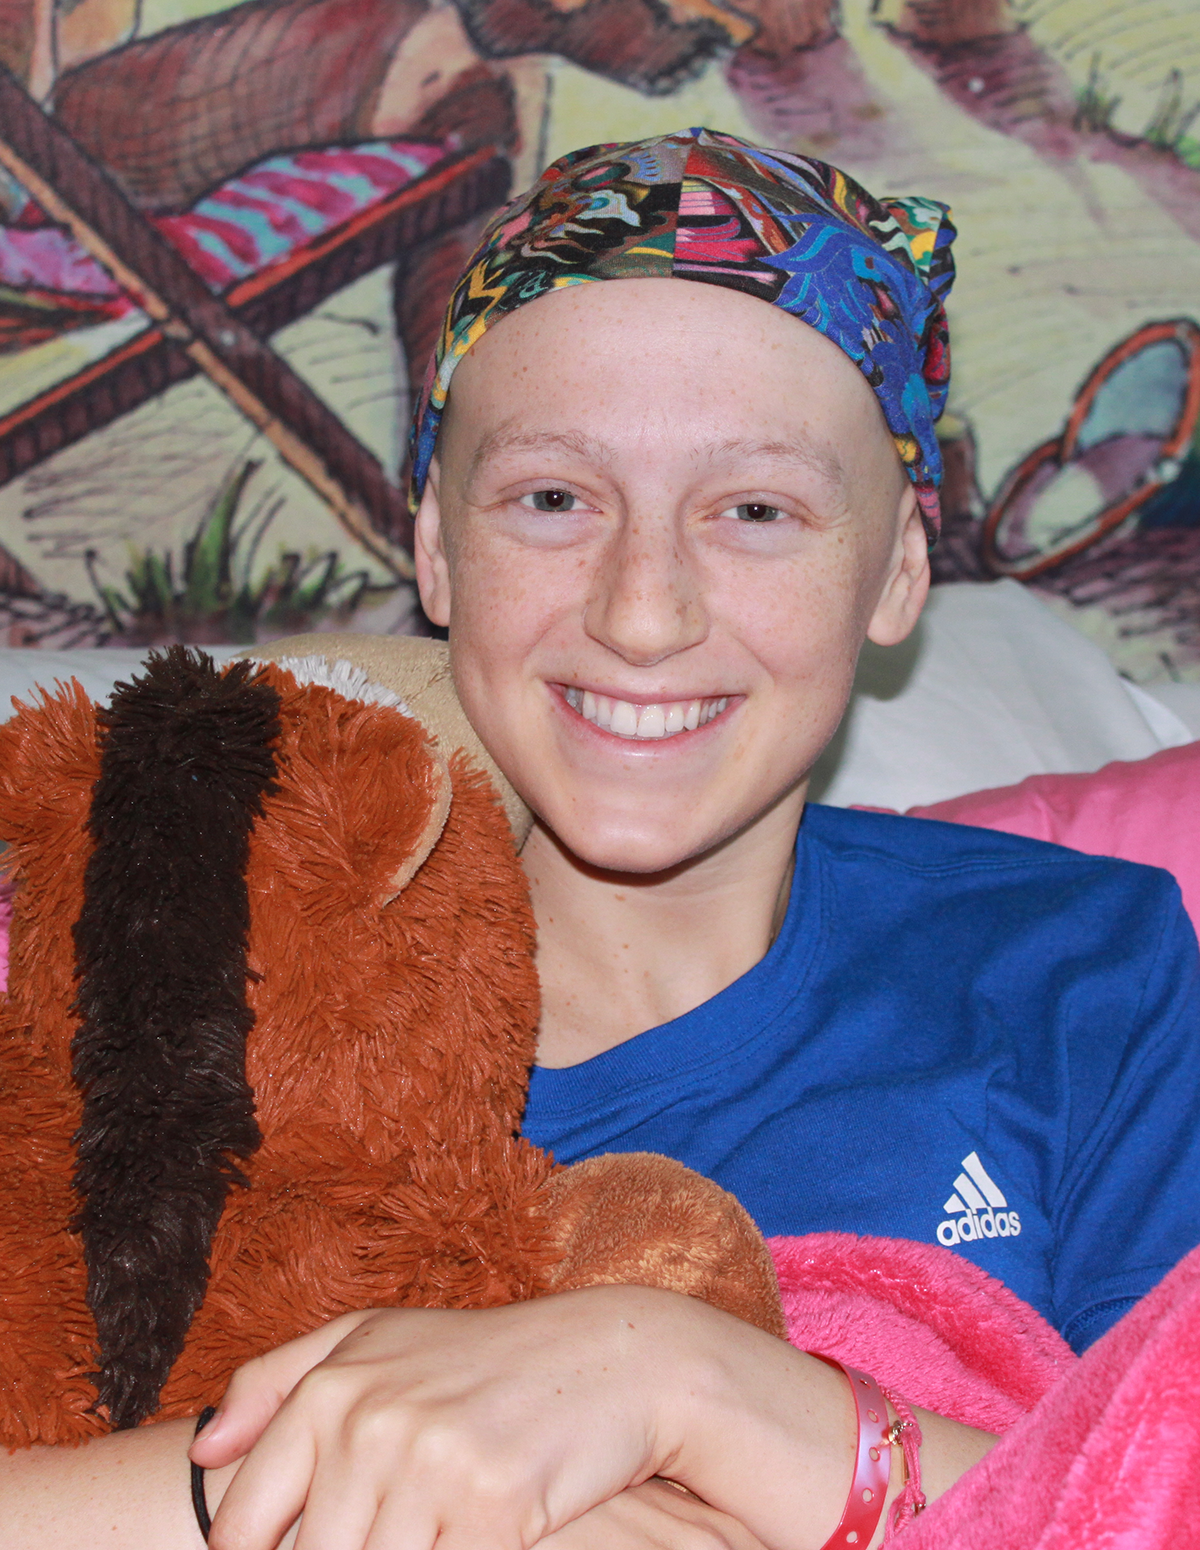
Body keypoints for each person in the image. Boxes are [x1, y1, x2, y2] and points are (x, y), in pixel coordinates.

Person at [3, 128, 1199, 1550]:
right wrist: (310, 1484)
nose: (642, 612)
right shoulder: (186, 976)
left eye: (755, 510)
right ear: (436, 548)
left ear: (895, 572)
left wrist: (682, 1383)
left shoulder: (1081, 970)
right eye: (554, 500)